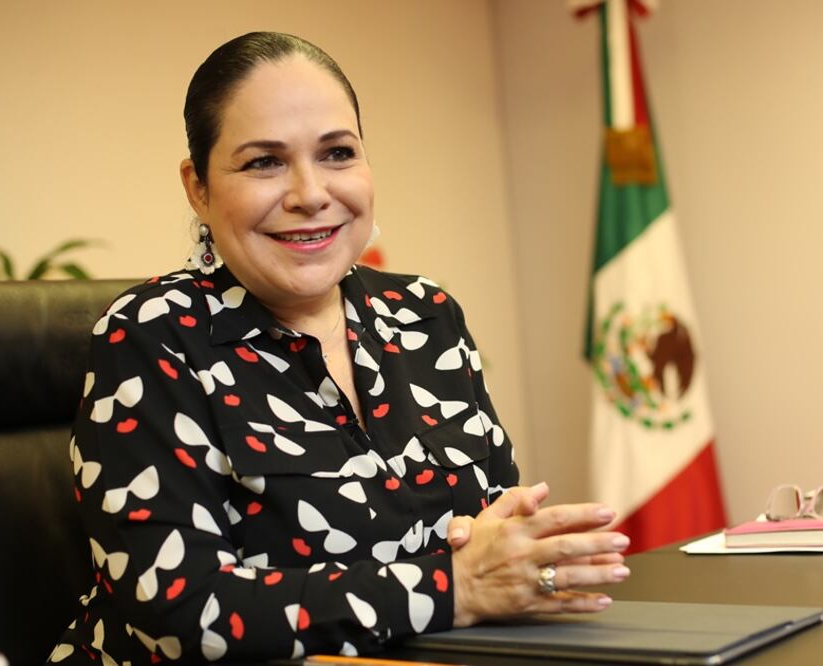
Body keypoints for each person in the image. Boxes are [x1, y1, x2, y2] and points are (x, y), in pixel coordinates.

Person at [48, 32, 630, 664]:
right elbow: (183, 610)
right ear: (198, 188)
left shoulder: (424, 314)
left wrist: (515, 553)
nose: (309, 193)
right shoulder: (149, 335)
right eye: (263, 162)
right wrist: (451, 588)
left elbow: (490, 530)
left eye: (337, 153)